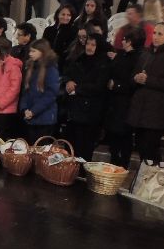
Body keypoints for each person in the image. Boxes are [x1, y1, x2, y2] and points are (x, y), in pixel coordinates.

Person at [127, 22, 164, 164]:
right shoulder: (146, 53)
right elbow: (133, 75)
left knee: (150, 149)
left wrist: (148, 80)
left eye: (160, 34)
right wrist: (135, 78)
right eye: (154, 33)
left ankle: (153, 175)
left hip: (158, 112)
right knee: (141, 147)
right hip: (141, 110)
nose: (155, 36)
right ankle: (144, 174)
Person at [64, 33, 111, 161]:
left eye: (93, 45)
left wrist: (77, 88)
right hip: (74, 109)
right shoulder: (80, 59)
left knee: (84, 148)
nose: (89, 47)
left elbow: (99, 86)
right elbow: (68, 73)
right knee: (70, 146)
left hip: (90, 112)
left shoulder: (103, 64)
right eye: (88, 44)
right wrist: (68, 82)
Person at [105, 28, 146, 168]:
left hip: (126, 102)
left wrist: (116, 85)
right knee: (113, 134)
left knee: (124, 135)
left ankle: (123, 163)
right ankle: (114, 159)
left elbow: (133, 82)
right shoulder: (121, 55)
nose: (122, 42)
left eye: (124, 39)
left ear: (130, 42)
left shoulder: (138, 58)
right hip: (114, 101)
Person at [19, 40, 61, 142]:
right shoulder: (31, 67)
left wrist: (34, 111)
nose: (30, 54)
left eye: (33, 51)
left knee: (42, 148)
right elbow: (26, 91)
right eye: (30, 51)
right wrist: (24, 109)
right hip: (30, 118)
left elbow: (51, 94)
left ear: (42, 52)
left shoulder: (51, 69)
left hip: (45, 119)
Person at [43, 5, 77, 72]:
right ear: (58, 15)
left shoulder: (74, 31)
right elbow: (44, 46)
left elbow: (69, 51)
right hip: (47, 61)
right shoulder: (48, 30)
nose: (65, 17)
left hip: (64, 64)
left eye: (68, 15)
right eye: (63, 14)